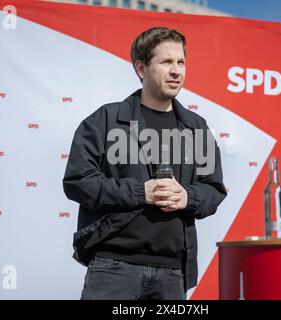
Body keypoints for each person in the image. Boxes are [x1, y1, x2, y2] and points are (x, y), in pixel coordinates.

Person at [63, 26, 227, 300]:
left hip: (173, 273)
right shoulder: (106, 120)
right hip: (112, 267)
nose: (176, 70)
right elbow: (78, 182)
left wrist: (189, 196)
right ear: (141, 68)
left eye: (181, 62)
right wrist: (142, 192)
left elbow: (214, 189)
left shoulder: (196, 128)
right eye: (166, 62)